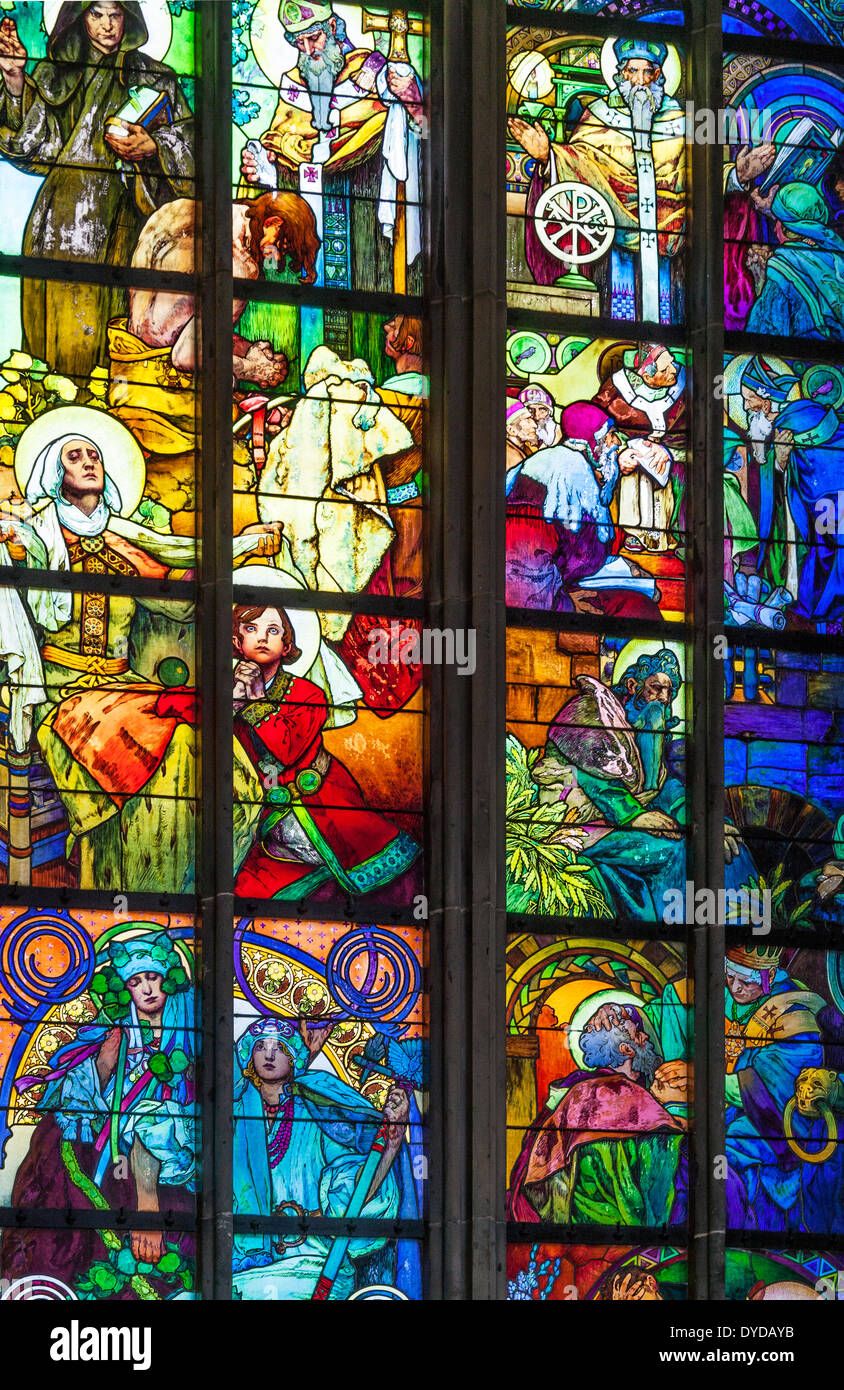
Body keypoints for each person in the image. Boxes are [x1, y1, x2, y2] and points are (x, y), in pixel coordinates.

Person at [0, 410, 283, 891]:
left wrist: (243, 549)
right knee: (169, 755)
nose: (90, 462)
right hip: (60, 692)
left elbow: (174, 584)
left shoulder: (126, 541)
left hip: (122, 687)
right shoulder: (37, 536)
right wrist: (18, 541)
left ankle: (185, 888)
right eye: (76, 456)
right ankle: (127, 885)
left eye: (95, 456)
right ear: (54, 472)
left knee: (214, 752)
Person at [0, 3, 194, 379]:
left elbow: (195, 147)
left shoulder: (159, 78)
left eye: (116, 15)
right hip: (60, 224)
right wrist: (13, 80)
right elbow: (31, 144)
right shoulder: (54, 75)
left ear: (130, 19)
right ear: (78, 18)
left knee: (114, 341)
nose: (107, 26)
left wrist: (155, 147)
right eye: (96, 14)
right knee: (58, 344)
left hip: (131, 225)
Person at [107, 190, 319, 533]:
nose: (276, 263)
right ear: (272, 225)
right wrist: (252, 369)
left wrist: (244, 347)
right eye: (282, 251)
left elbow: (175, 322)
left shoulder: (187, 211)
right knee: (249, 480)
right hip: (164, 407)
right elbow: (185, 355)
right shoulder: (237, 266)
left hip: (126, 375)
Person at [0, 930, 196, 1293]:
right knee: (60, 1157)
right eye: (136, 982)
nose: (148, 989)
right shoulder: (114, 1036)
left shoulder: (192, 1041)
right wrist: (103, 1065)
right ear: (126, 991)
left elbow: (234, 1091)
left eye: (153, 977)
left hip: (174, 1167)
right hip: (113, 1160)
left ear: (167, 979)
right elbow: (78, 1096)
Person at [232, 603, 421, 903]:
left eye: (273, 630)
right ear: (236, 641)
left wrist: (254, 703)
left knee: (387, 880)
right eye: (251, 629)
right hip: (266, 820)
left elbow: (289, 749)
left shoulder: (309, 695)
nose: (262, 638)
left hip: (325, 806)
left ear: (287, 644)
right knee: (243, 894)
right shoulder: (229, 692)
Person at [239, 1, 425, 290]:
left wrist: (413, 102)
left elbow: (421, 135)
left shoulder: (376, 76)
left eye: (313, 38)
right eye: (299, 43)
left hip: (365, 228)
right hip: (308, 223)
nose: (308, 50)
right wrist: (266, 169)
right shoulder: (293, 87)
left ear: (333, 27)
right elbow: (280, 145)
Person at [232, 1016, 419, 1299]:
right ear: (247, 1056)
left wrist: (391, 1146)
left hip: (315, 1268)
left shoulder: (320, 1117)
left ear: (294, 1058)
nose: (269, 1055)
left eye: (280, 1048)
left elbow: (356, 1192)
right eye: (260, 1046)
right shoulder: (234, 1123)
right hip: (248, 1266)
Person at [509, 37, 685, 321]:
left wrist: (736, 175)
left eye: (647, 72)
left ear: (658, 76)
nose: (640, 81)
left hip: (669, 244)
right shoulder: (600, 116)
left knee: (669, 311)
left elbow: (697, 180)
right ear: (620, 75)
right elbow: (581, 160)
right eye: (632, 71)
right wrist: (548, 156)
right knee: (617, 310)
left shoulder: (680, 122)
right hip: (612, 244)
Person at [506, 1000, 688, 1225]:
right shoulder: (623, 1093)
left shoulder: (575, 1090)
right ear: (626, 1049)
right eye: (639, 1034)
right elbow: (665, 1159)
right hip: (626, 1219)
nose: (647, 1038)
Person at [724, 944, 827, 1230]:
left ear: (770, 974)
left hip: (777, 1126)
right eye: (729, 977)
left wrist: (702, 1081)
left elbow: (771, 1092)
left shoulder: (795, 1016)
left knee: (722, 1151)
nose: (735, 988)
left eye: (746, 981)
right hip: (734, 1112)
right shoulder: (725, 996)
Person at [594, 343, 685, 551]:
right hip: (628, 456)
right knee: (633, 471)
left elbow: (695, 435)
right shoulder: (616, 389)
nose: (674, 370)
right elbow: (596, 428)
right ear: (647, 376)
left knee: (663, 470)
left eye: (672, 363)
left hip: (673, 457)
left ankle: (662, 535)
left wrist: (667, 452)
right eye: (665, 369)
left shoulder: (683, 388)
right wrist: (618, 452)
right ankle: (634, 531)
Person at [746, 182, 844, 340]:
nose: (773, 228)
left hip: (804, 358)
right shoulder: (834, 256)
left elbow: (765, 333)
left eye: (777, 221)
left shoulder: (781, 267)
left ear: (785, 227)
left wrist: (760, 282)